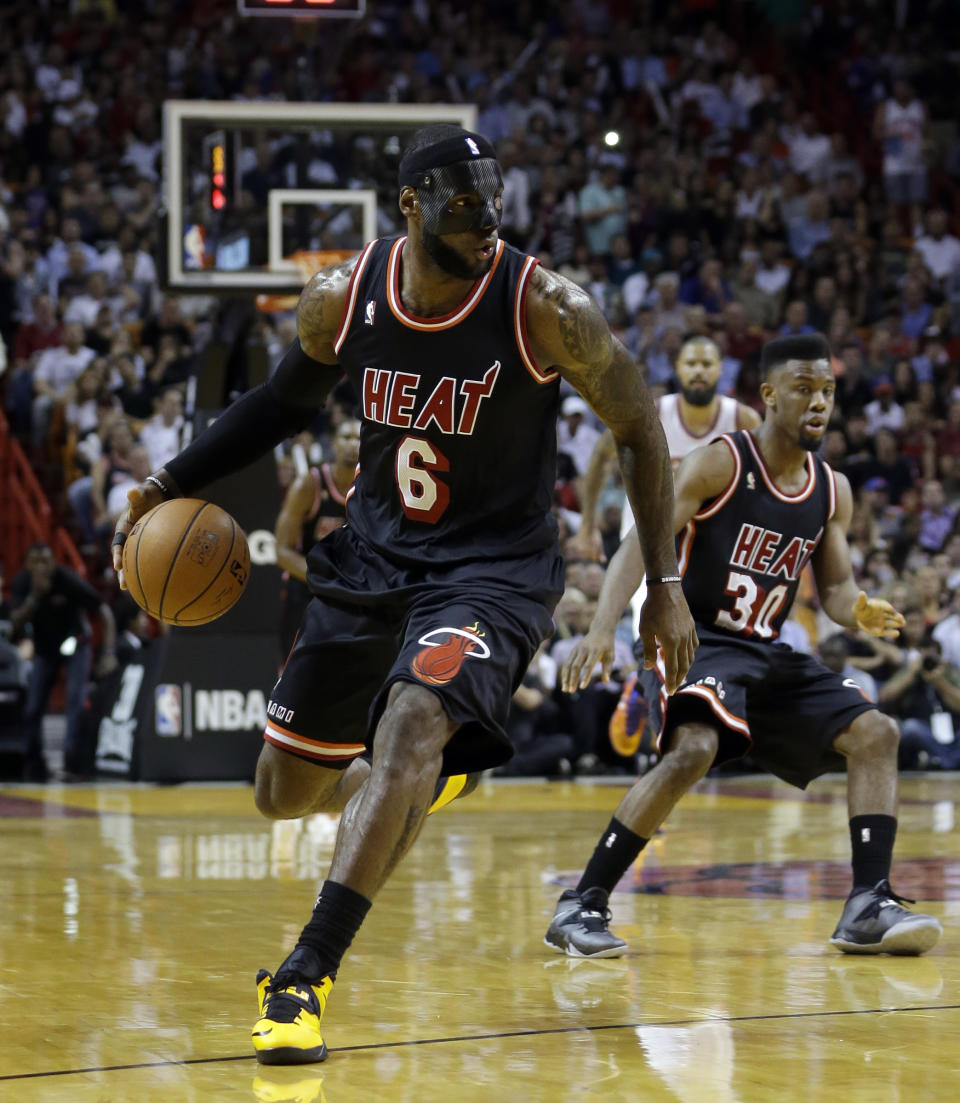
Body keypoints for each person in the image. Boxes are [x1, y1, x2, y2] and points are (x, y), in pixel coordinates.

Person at [111, 125, 697, 1064]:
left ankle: (303, 976)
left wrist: (664, 580)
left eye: (495, 201)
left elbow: (638, 428)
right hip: (375, 560)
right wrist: (169, 479)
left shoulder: (547, 306)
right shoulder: (342, 298)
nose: (487, 222)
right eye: (463, 205)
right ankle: (421, 777)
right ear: (411, 206)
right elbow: (279, 405)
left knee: (413, 721)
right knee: (280, 792)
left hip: (493, 571)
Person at [547, 334, 942, 960]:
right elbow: (642, 541)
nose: (819, 403)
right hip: (693, 640)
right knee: (693, 750)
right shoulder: (719, 464)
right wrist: (602, 628)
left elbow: (835, 587)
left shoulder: (830, 489)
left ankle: (868, 903)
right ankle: (583, 902)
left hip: (764, 650)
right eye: (804, 390)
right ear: (769, 396)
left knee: (879, 735)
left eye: (828, 392)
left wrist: (857, 609)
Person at [571, 336, 762, 563]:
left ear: (720, 369)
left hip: (714, 542)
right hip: (647, 539)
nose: (698, 370)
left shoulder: (742, 419)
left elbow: (766, 479)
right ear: (678, 368)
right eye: (691, 364)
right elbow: (601, 455)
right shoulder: (653, 413)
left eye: (707, 364)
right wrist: (587, 524)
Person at [9, 543, 117, 780]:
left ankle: (72, 761)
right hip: (45, 649)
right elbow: (14, 624)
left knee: (75, 700)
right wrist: (34, 597)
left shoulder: (66, 579)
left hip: (76, 643)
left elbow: (103, 612)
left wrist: (108, 653)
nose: (42, 566)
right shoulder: (23, 583)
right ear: (27, 565)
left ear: (54, 562)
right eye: (36, 562)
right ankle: (34, 762)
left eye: (46, 561)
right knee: (33, 705)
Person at [274, 418, 361, 662]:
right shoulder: (309, 484)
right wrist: (326, 578)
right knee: (293, 672)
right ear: (333, 443)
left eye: (359, 438)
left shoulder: (370, 488)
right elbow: (281, 550)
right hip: (306, 589)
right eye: (346, 438)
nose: (353, 444)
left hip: (351, 591)